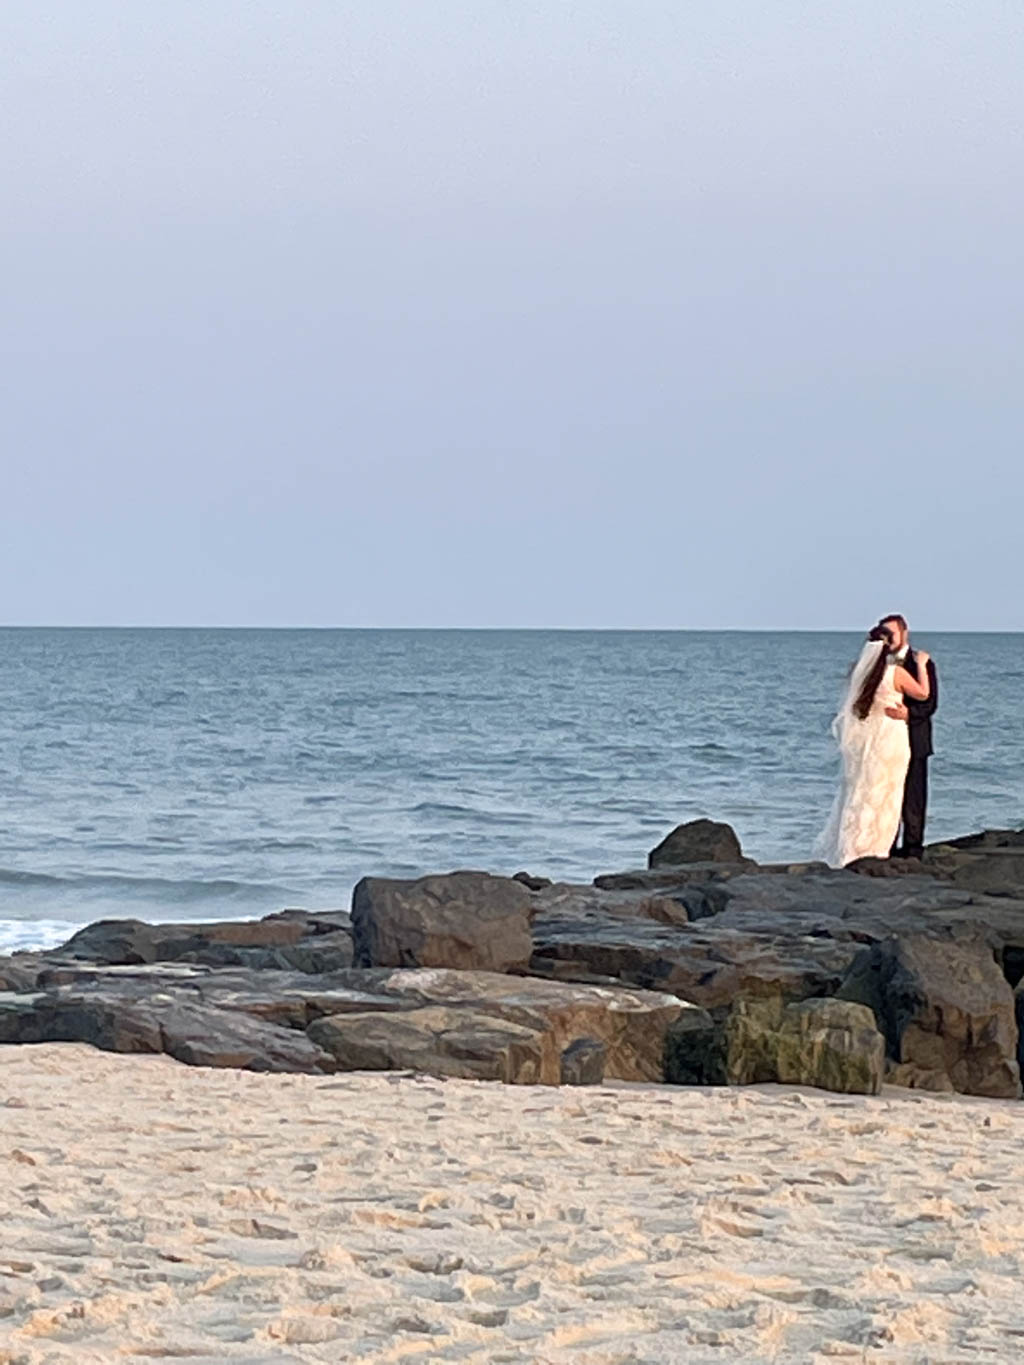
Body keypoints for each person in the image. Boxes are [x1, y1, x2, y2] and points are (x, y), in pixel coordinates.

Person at [814, 621, 931, 868]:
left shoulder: (861, 672)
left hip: (870, 739)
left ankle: (856, 845)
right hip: (891, 737)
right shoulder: (895, 673)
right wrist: (920, 666)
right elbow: (923, 694)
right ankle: (877, 847)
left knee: (865, 791)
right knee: (887, 793)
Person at [879, 613, 938, 860]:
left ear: (904, 633)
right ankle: (887, 843)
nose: (888, 639)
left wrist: (908, 714)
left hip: (915, 738)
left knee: (914, 795)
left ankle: (913, 847)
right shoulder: (877, 663)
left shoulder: (921, 664)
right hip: (885, 740)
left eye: (891, 633)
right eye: (884, 634)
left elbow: (930, 703)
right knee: (887, 792)